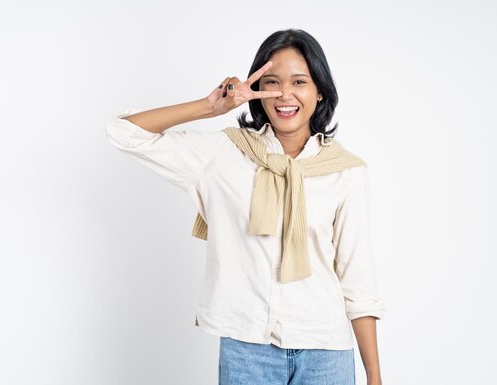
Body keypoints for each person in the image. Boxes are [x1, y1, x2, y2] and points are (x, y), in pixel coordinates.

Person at [105, 29, 386, 385]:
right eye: (272, 82)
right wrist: (210, 107)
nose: (285, 94)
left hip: (326, 351)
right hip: (247, 349)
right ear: (257, 91)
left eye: (299, 81)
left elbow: (358, 281)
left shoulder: (346, 171)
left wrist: (375, 378)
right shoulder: (223, 155)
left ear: (320, 91)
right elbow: (123, 133)